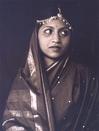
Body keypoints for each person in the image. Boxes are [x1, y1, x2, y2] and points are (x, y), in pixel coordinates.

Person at [1, 3, 99, 131]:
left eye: (64, 33)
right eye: (48, 31)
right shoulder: (24, 78)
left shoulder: (85, 76)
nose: (56, 39)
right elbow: (10, 122)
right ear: (36, 36)